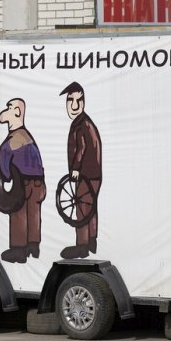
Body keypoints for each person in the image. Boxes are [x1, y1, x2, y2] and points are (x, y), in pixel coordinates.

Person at [0, 98, 46, 263]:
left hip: (22, 183)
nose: (5, 112)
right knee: (34, 213)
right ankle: (33, 245)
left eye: (9, 108)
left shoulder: (14, 139)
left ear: (17, 112)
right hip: (38, 183)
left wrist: (5, 176)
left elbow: (4, 162)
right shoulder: (28, 137)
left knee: (19, 214)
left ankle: (18, 250)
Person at [59, 82, 102, 259]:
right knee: (90, 207)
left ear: (83, 102)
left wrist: (76, 169)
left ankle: (82, 245)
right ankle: (91, 240)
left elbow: (81, 147)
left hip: (86, 175)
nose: (75, 105)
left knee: (82, 207)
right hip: (93, 175)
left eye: (79, 100)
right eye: (71, 100)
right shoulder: (84, 122)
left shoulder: (81, 124)